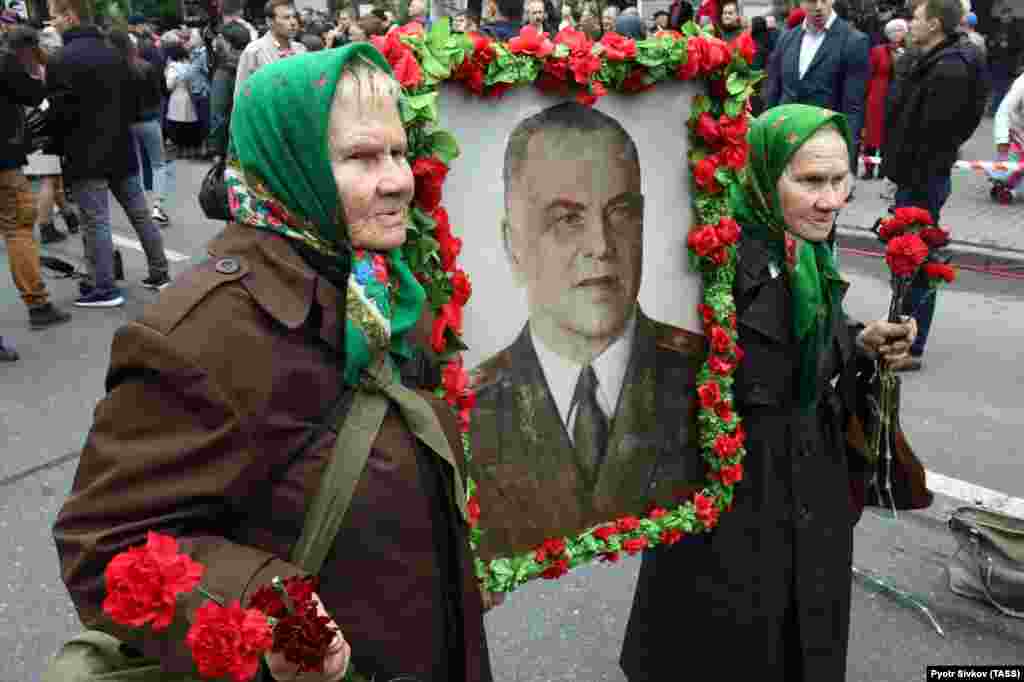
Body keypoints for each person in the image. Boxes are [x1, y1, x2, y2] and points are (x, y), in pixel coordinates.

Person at [53, 44, 493, 682]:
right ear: (294, 165)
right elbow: (107, 549)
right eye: (361, 157)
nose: (400, 178)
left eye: (397, 152)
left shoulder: (375, 281)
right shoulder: (205, 334)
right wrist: (269, 614)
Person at [621, 103, 918, 682]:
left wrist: (859, 342)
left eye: (838, 179)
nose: (831, 199)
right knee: (725, 651)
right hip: (732, 511)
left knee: (805, 643)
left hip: (811, 492)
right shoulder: (707, 265)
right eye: (810, 181)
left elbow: (812, 334)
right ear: (762, 174)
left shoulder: (806, 252)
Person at [468, 102, 706, 562]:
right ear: (513, 245)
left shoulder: (705, 372)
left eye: (620, 212)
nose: (600, 246)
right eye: (567, 219)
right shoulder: (467, 407)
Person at [881, 0, 987, 371]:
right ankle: (900, 332)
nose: (911, 23)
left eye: (918, 18)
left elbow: (936, 133)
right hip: (914, 175)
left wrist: (911, 172)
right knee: (906, 260)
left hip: (922, 178)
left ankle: (911, 345)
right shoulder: (927, 57)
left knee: (917, 261)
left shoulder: (950, 69)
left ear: (936, 25)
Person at [47, 0, 172, 305]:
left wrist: (58, 144)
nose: (53, 25)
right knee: (140, 214)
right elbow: (132, 103)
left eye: (54, 18)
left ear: (69, 16)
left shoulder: (60, 59)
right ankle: (160, 272)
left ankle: (104, 288)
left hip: (84, 153)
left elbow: (58, 113)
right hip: (120, 147)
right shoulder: (114, 53)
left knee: (96, 220)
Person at [0, 25, 72, 331]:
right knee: (18, 229)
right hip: (3, 161)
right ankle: (38, 303)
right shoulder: (5, 62)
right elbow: (34, 94)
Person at [763, 0, 871, 172]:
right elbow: (773, 92)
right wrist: (765, 139)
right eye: (812, 1)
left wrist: (847, 167)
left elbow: (853, 109)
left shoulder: (854, 41)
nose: (819, 6)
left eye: (824, 0)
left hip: (825, 149)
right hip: (784, 148)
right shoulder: (787, 38)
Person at [22, 24, 79, 244]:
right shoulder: (40, 68)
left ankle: (68, 216)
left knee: (53, 178)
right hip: (42, 127)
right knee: (49, 178)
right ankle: (46, 226)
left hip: (28, 127)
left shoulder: (18, 66)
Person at [861, 18, 907, 180]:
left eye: (901, 31)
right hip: (877, 97)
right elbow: (868, 74)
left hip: (895, 97)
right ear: (888, 34)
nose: (898, 34)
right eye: (895, 31)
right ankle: (868, 168)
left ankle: (883, 169)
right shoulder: (877, 51)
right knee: (872, 134)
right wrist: (864, 96)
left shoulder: (906, 52)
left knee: (889, 133)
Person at [233, 0, 305, 102]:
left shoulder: (300, 49)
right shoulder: (254, 51)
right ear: (270, 21)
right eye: (286, 18)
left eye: (294, 17)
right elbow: (241, 94)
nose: (293, 22)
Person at [207, 20, 252, 160]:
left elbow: (218, 114)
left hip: (234, 140)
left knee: (237, 179)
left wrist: (216, 149)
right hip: (257, 136)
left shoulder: (225, 71)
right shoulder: (257, 61)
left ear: (228, 43)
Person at [994, 70, 1024, 197]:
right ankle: (1003, 182)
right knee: (1006, 172)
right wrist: (1002, 139)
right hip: (1018, 132)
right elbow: (1003, 111)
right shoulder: (1021, 83)